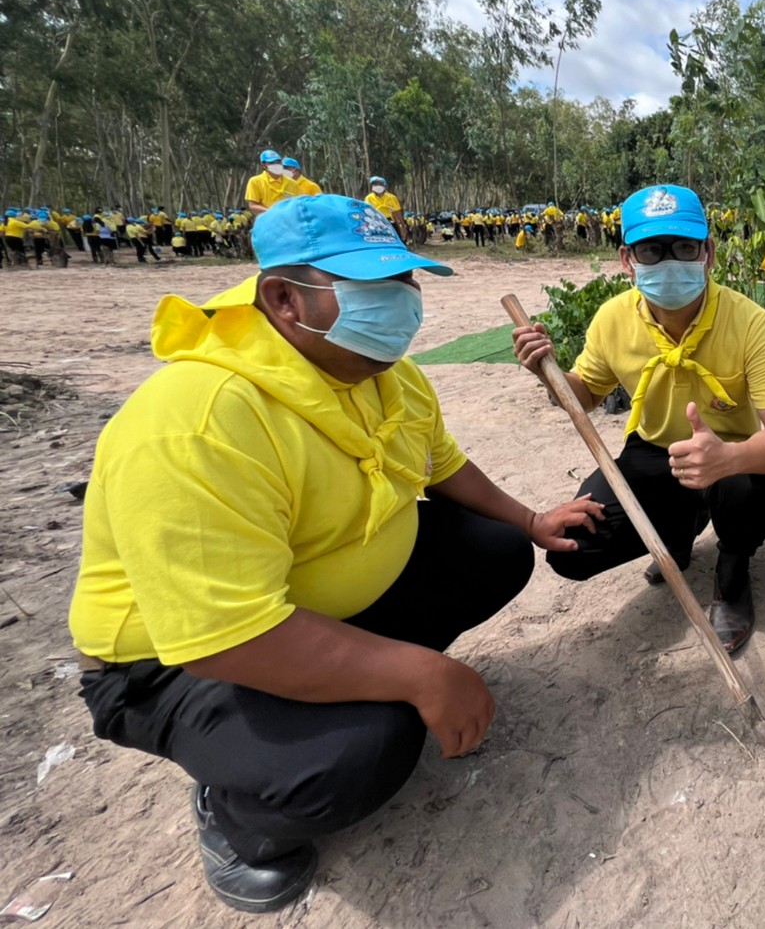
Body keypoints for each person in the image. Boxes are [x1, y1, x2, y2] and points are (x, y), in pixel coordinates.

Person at [69, 194, 602, 914]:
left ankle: (360, 677)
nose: (403, 305)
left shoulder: (386, 375)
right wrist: (420, 673)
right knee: (357, 756)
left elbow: (442, 466)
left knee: (498, 548)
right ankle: (238, 818)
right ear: (285, 299)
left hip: (315, 602)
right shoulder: (199, 421)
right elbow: (219, 636)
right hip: (173, 663)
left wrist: (532, 518)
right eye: (373, 289)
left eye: (406, 282)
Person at [512, 184, 765, 654]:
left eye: (684, 247)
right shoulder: (612, 319)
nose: (669, 261)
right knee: (573, 549)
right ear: (627, 259)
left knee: (743, 488)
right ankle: (677, 531)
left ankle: (732, 567)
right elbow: (584, 396)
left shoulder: (747, 321)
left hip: (731, 454)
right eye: (652, 249)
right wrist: (547, 372)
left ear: (708, 253)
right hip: (653, 453)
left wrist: (727, 457)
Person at [245, 150, 293, 215]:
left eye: (278, 162)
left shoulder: (292, 183)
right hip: (267, 221)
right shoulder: (255, 181)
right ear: (264, 165)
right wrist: (272, 212)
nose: (276, 165)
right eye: (271, 163)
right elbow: (253, 205)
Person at [365, 176, 409, 243]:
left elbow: (397, 213)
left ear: (384, 186)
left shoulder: (392, 198)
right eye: (375, 184)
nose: (377, 186)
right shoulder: (369, 198)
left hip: (389, 222)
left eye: (379, 184)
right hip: (375, 223)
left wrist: (402, 226)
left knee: (397, 240)